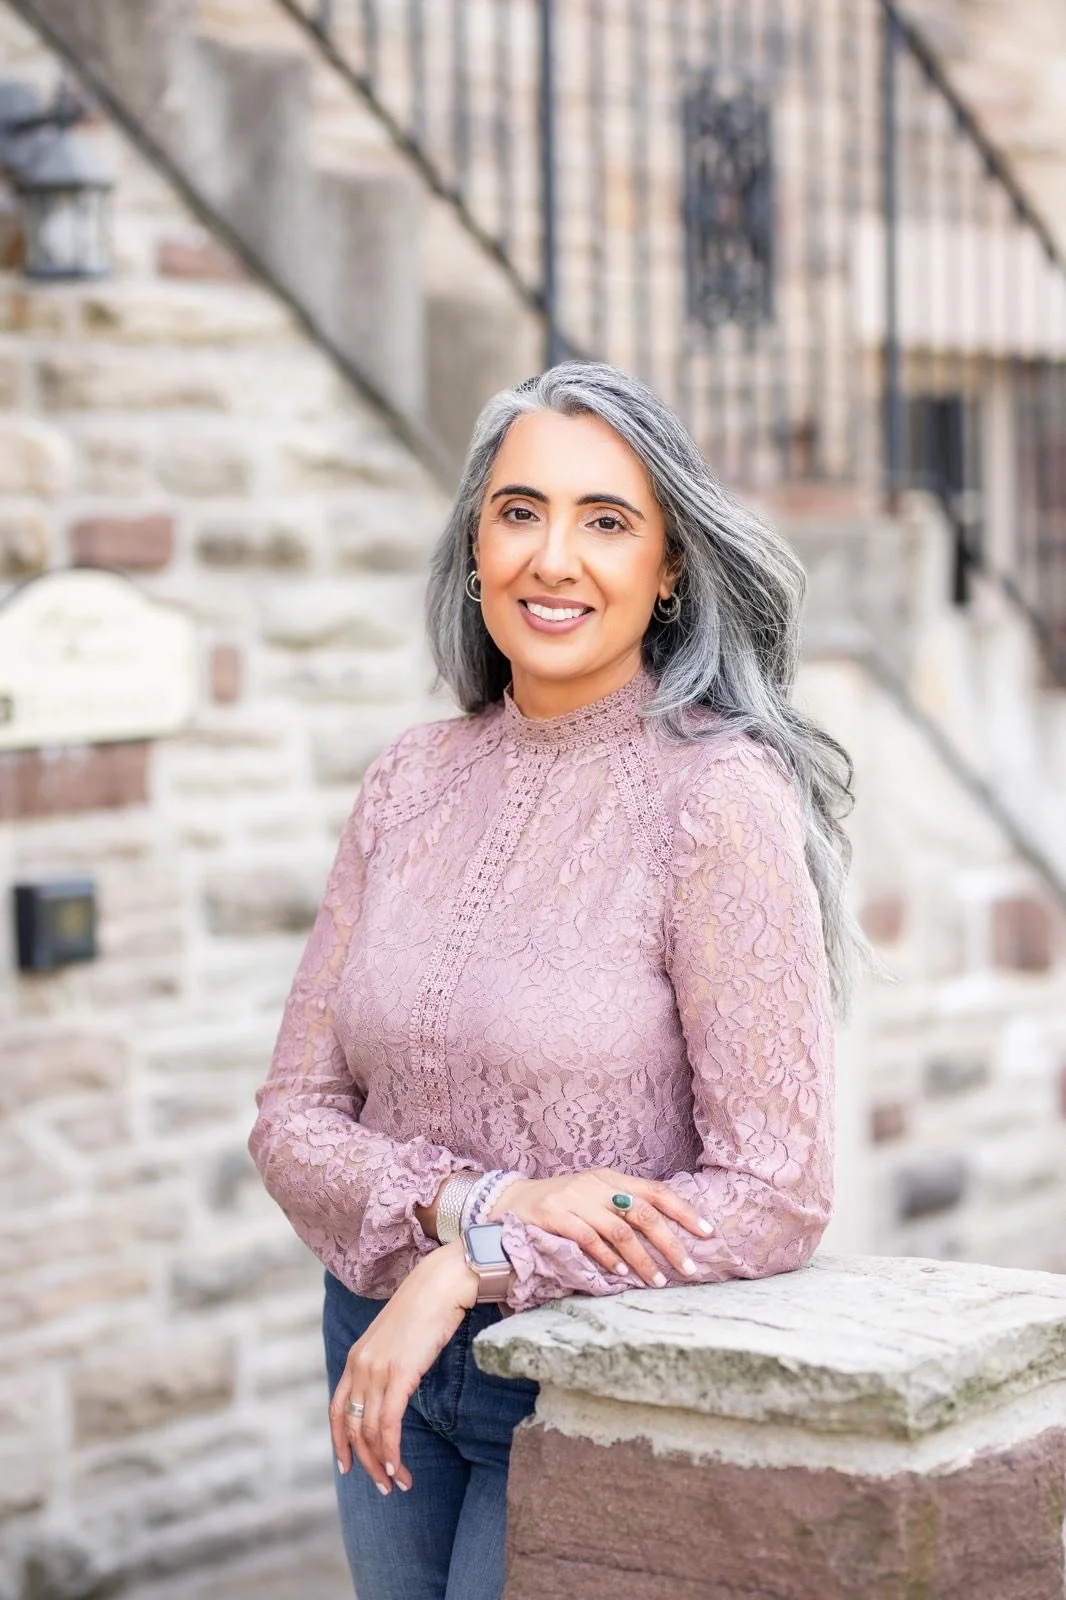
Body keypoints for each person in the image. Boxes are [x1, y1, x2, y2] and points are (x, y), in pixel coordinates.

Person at [249, 361, 861, 1600]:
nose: (554, 558)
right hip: (379, 1356)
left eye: (606, 520)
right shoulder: (406, 781)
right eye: (520, 511)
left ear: (668, 566)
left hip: (588, 1374)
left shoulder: (714, 798)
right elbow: (291, 1119)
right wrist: (467, 1208)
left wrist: (479, 1256)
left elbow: (775, 1192)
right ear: (475, 542)